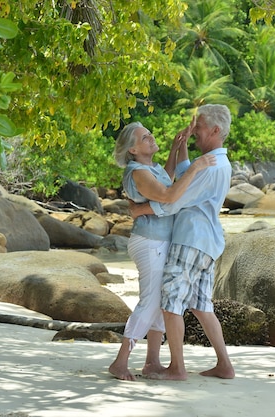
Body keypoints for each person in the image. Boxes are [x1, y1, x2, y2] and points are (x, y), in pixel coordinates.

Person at [130, 104, 235, 380]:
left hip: (190, 240)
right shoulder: (218, 162)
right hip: (207, 243)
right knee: (202, 306)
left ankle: (177, 368)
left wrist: (141, 210)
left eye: (198, 127)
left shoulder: (210, 166)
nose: (195, 131)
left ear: (214, 130)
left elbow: (175, 199)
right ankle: (224, 365)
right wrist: (183, 144)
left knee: (170, 302)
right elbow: (188, 173)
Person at [108, 121, 216, 381]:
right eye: (145, 137)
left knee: (161, 303)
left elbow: (166, 180)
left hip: (159, 242)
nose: (150, 137)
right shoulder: (137, 173)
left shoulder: (150, 168)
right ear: (133, 150)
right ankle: (120, 362)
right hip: (149, 242)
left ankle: (152, 363)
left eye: (149, 133)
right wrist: (196, 167)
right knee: (151, 302)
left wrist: (175, 150)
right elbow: (168, 195)